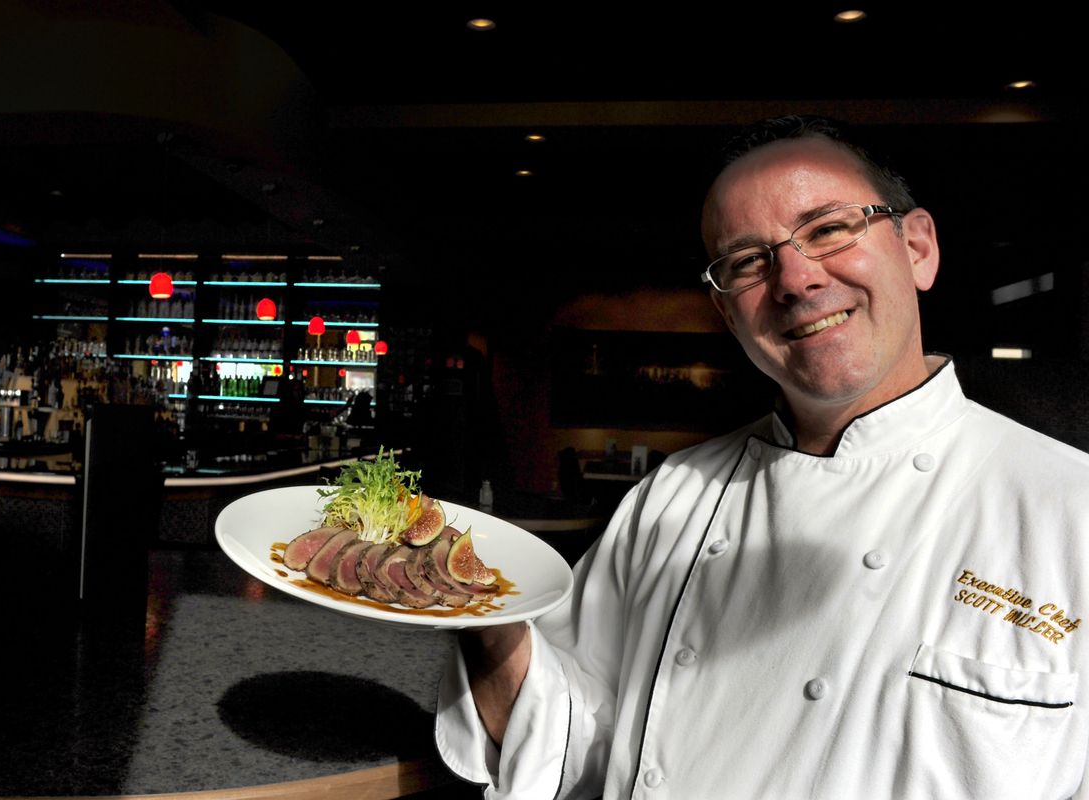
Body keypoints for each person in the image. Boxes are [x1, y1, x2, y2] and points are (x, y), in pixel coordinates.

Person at [434, 116, 1089, 799]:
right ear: (727, 314)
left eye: (830, 228)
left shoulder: (1071, 512)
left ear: (918, 248)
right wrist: (484, 612)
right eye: (748, 260)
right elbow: (571, 741)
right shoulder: (673, 498)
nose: (795, 280)